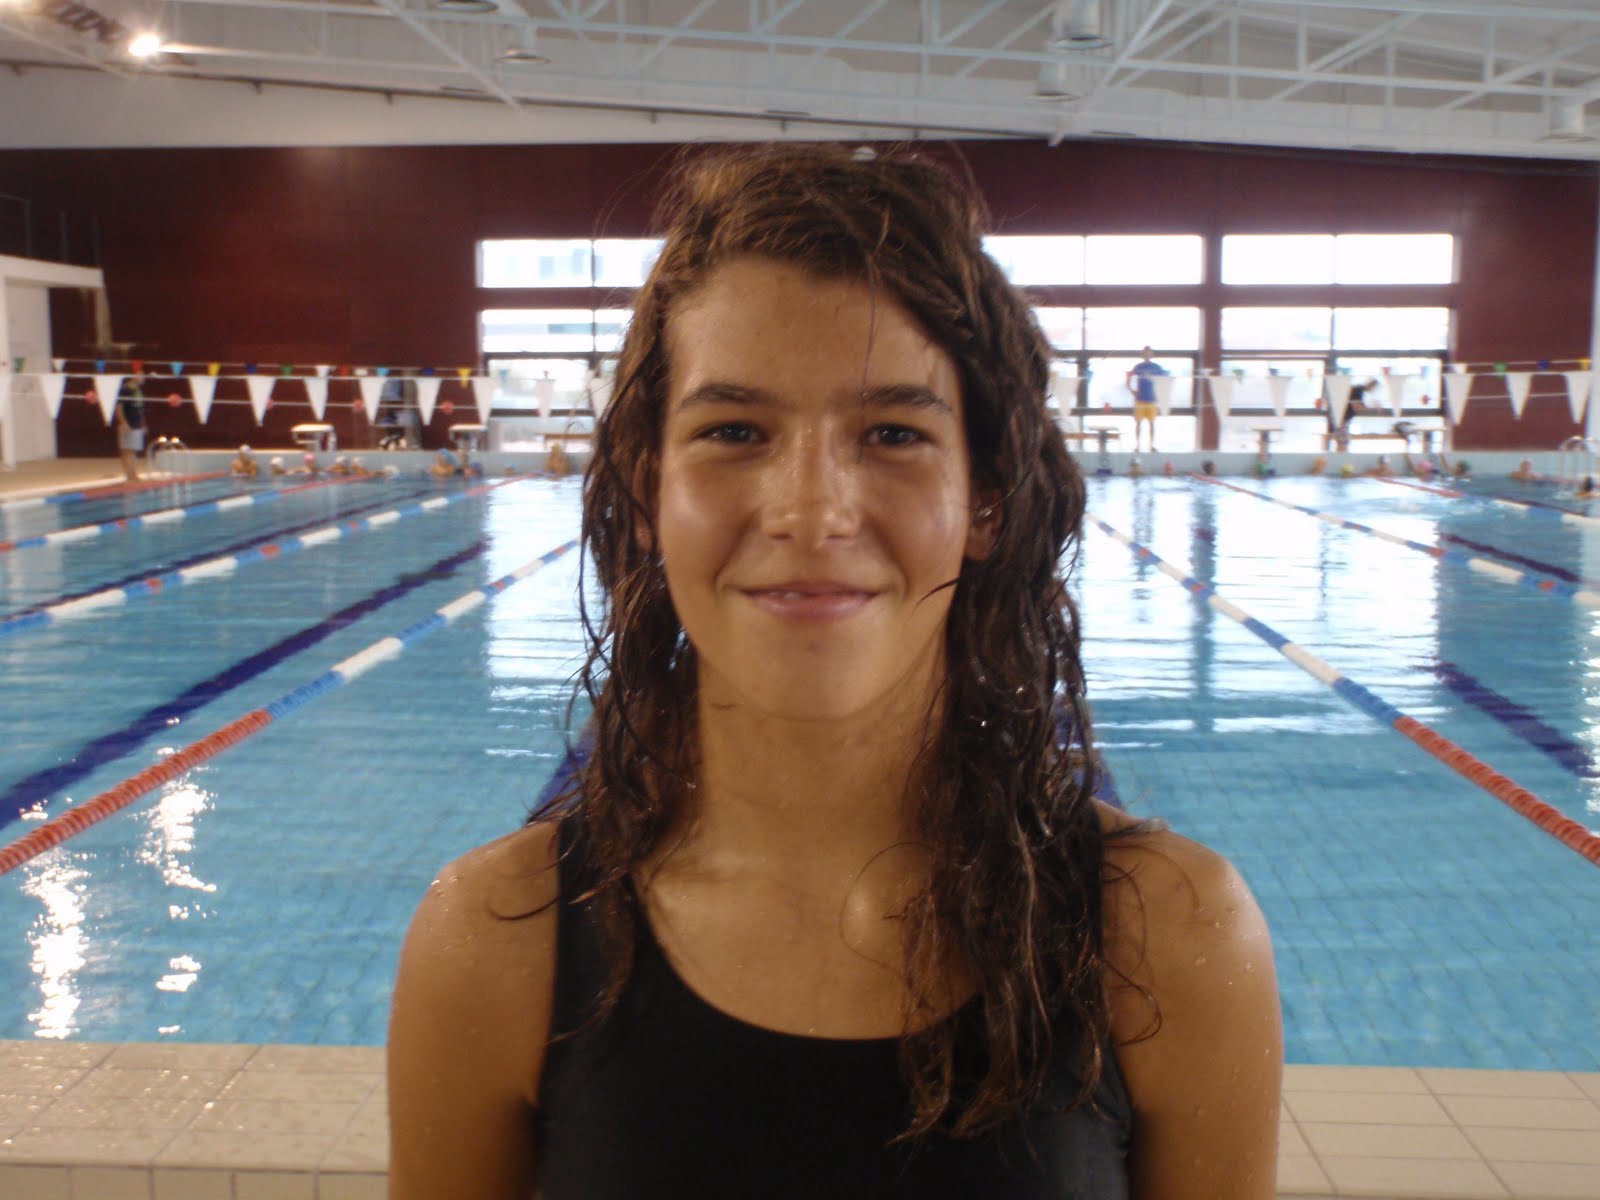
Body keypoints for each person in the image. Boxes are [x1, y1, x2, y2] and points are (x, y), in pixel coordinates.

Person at [387, 145, 1281, 1200]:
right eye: (733, 430)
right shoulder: (500, 940)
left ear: (985, 499)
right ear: (647, 494)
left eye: (893, 432)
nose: (810, 513)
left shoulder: (1165, 934)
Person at [1124, 347, 1166, 452]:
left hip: (1152, 400)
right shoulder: (1138, 367)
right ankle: (1137, 445)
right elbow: (1128, 377)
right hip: (1140, 400)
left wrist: (1160, 394)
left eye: (1148, 353)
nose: (1147, 355)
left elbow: (1166, 379)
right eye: (1145, 353)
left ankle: (1151, 445)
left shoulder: (1157, 368)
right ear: (1142, 355)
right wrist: (1132, 390)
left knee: (1152, 423)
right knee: (1138, 423)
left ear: (1152, 354)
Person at [1325, 378, 1378, 452]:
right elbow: (1356, 406)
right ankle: (1341, 454)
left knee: (1342, 440)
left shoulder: (1358, 389)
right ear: (1371, 385)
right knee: (1343, 441)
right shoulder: (1358, 390)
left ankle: (1340, 452)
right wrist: (1371, 406)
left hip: (1341, 418)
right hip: (1342, 418)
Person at [113, 374, 146, 483]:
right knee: (127, 451)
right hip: (128, 424)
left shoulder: (137, 390)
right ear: (134, 376)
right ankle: (129, 476)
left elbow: (139, 409)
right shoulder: (125, 389)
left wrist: (142, 424)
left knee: (133, 451)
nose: (144, 378)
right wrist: (123, 422)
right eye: (141, 375)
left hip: (136, 425)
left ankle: (134, 475)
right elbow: (119, 407)